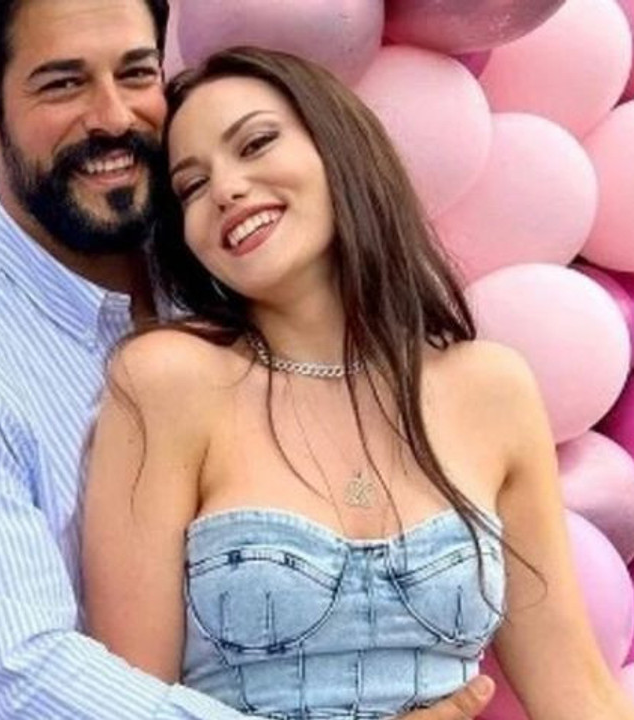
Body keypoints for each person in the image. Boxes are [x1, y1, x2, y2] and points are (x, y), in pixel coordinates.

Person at [0, 0, 494, 717]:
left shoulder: (235, 272)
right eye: (63, 83)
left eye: (136, 73)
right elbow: (18, 677)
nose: (113, 117)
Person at [82, 46, 634, 718]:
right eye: (191, 186)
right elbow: (125, 705)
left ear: (338, 147)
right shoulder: (167, 382)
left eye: (255, 144)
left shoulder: (491, 388)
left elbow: (575, 690)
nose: (225, 189)